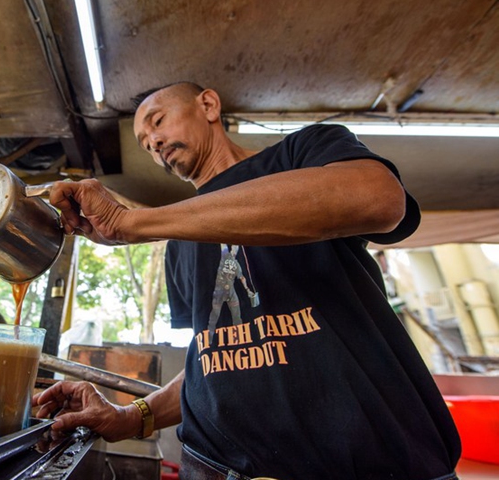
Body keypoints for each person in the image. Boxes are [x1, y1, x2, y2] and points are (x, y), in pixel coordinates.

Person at [33, 82, 461, 479]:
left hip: (368, 462)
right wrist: (132, 416)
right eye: (145, 143)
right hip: (215, 466)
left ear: (209, 105)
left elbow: (379, 198)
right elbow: (217, 358)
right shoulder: (178, 240)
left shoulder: (301, 153)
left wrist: (134, 222)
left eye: (158, 121)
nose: (155, 143)